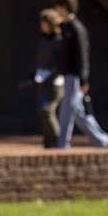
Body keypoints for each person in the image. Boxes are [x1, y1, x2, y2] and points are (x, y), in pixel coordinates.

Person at [51, 0, 108, 148]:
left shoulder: (76, 29)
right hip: (68, 75)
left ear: (64, 7)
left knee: (66, 112)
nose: (56, 10)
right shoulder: (65, 28)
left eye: (58, 6)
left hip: (74, 76)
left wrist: (83, 79)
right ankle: (101, 140)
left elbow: (82, 55)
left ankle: (62, 144)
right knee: (77, 112)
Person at [34, 9, 65, 148]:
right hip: (42, 80)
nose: (41, 25)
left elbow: (60, 63)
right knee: (42, 111)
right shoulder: (43, 39)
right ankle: (48, 143)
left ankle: (59, 141)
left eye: (44, 22)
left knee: (46, 109)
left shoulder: (58, 40)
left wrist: (50, 75)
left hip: (54, 82)